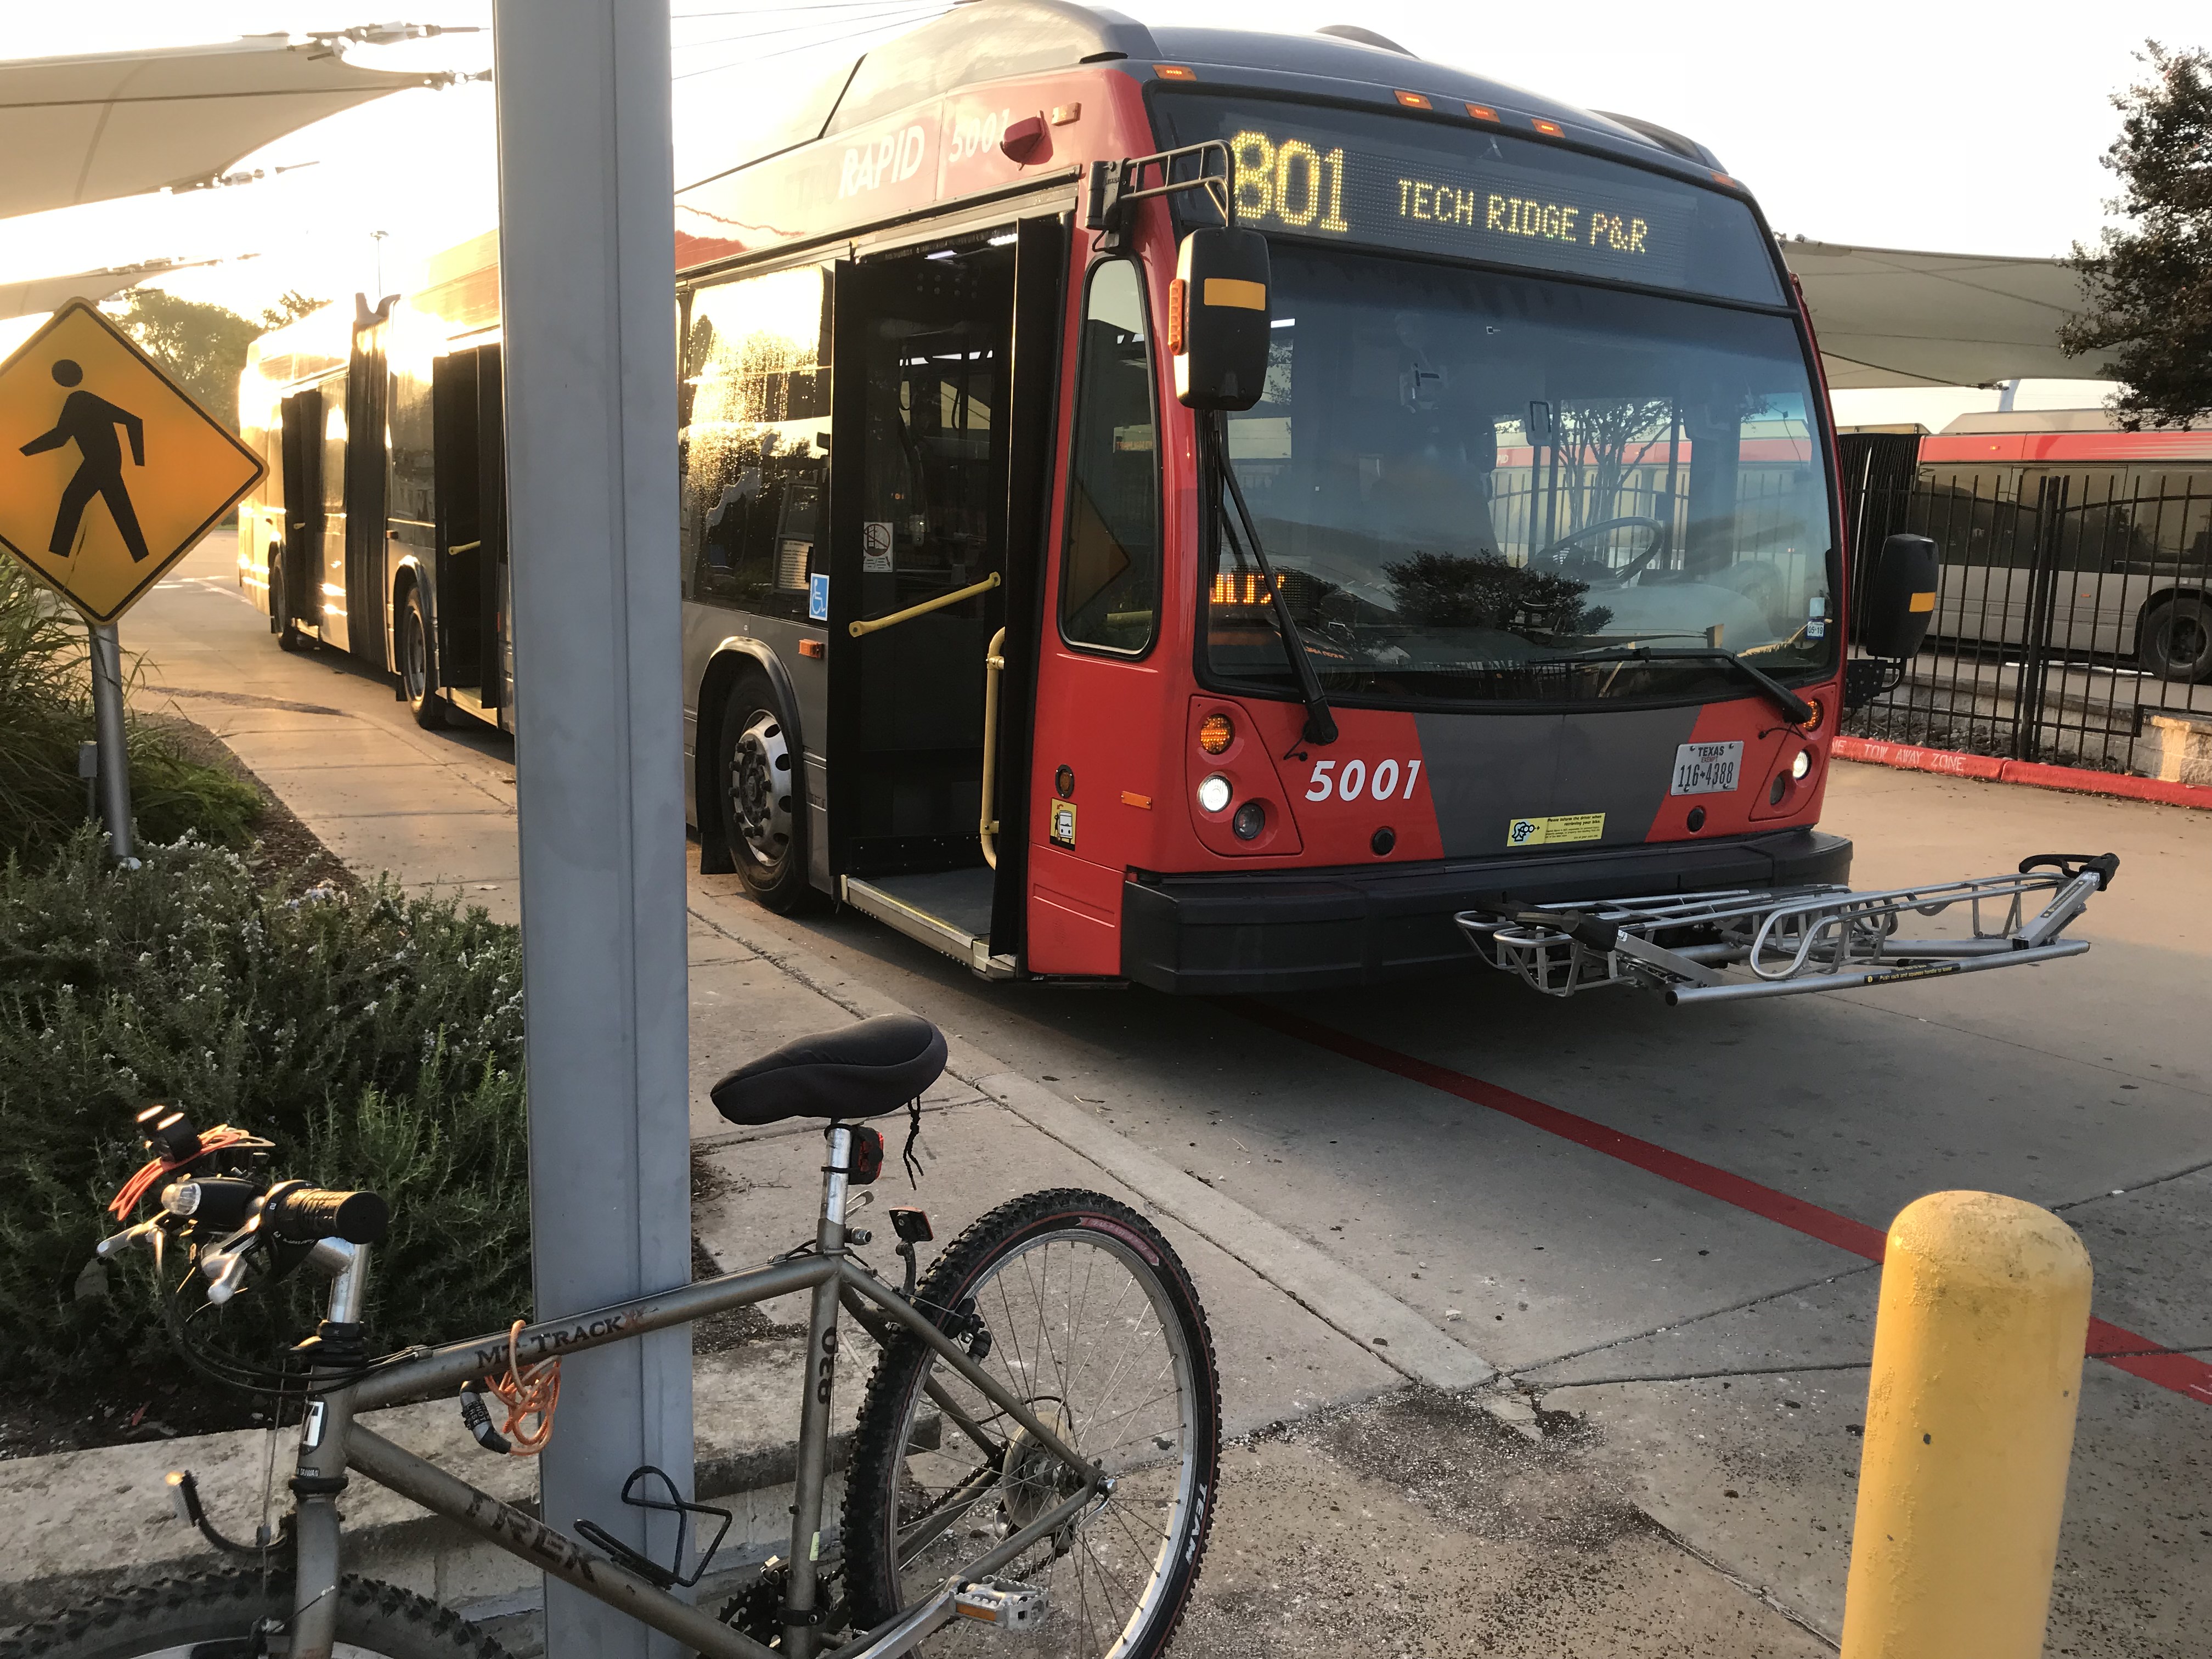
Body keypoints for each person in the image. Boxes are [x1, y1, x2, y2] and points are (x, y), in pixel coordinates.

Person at [20, 358, 151, 563]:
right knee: (118, 507)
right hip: (104, 461)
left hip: (101, 462)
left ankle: (57, 558)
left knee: (73, 500)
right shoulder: (81, 399)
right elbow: (61, 437)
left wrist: (140, 463)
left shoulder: (80, 400)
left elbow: (60, 438)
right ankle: (141, 555)